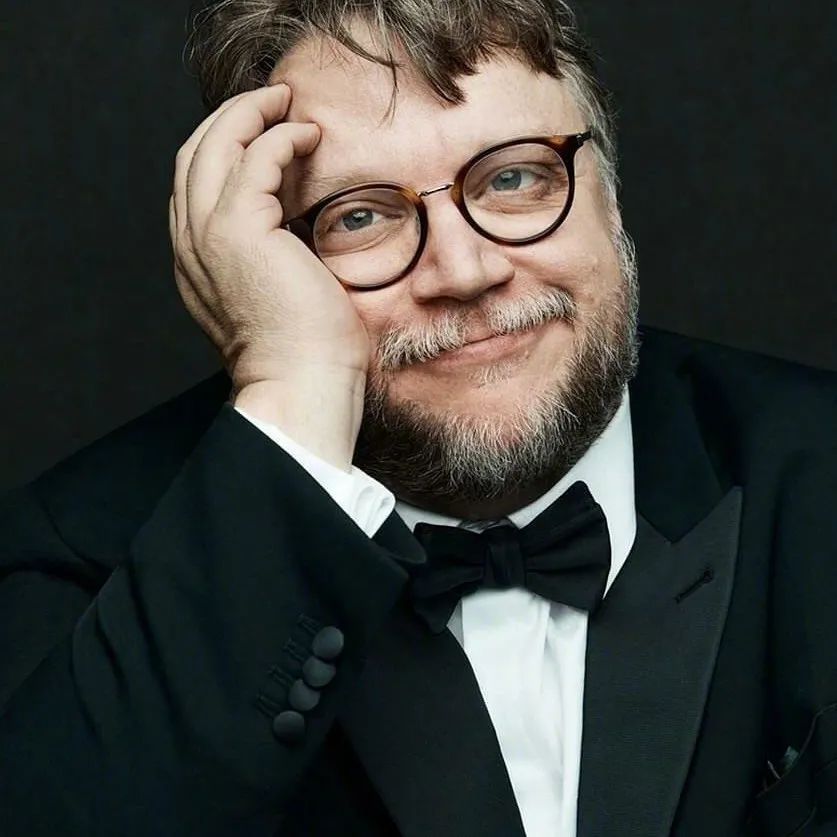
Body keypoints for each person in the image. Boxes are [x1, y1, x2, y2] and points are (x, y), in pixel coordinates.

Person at [1, 0, 835, 834]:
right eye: (359, 216)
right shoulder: (76, 556)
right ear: (261, 257)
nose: (463, 271)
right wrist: (293, 386)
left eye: (513, 177)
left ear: (607, 193)